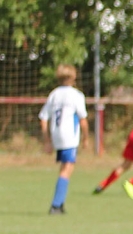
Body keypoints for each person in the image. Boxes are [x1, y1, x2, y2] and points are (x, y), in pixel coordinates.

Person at [38, 64, 89, 215]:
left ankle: (60, 204)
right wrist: (86, 138)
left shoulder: (54, 94)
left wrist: (47, 141)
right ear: (74, 77)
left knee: (63, 168)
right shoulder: (76, 95)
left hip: (56, 135)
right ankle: (56, 205)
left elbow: (43, 118)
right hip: (69, 137)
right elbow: (83, 120)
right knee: (67, 169)